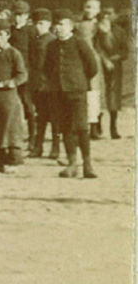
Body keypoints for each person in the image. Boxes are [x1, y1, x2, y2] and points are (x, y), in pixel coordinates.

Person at [43, 11, 100, 180]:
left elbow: (92, 66)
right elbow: (47, 68)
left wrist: (79, 81)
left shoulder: (79, 43)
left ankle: (88, 164)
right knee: (66, 127)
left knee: (82, 127)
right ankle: (72, 163)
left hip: (77, 91)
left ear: (71, 26)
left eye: (63, 24)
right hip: (59, 92)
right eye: (57, 24)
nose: (59, 28)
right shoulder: (51, 46)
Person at [0, 22, 28, 173]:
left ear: (8, 35)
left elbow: (22, 75)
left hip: (8, 98)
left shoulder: (13, 53)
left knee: (10, 129)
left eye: (1, 34)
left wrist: (6, 84)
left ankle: (13, 162)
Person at [82, 0, 128, 139]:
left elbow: (124, 50)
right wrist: (105, 59)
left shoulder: (118, 31)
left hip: (113, 68)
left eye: (110, 13)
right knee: (95, 95)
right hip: (97, 66)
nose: (107, 16)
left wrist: (114, 58)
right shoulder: (92, 27)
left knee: (113, 97)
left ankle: (113, 128)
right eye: (105, 13)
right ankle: (96, 126)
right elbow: (96, 46)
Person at [27, 8, 58, 159]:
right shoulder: (35, 40)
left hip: (50, 85)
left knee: (54, 117)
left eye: (42, 23)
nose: (38, 27)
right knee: (41, 117)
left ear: (49, 24)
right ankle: (38, 147)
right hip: (38, 84)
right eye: (36, 23)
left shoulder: (52, 40)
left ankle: (55, 148)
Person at [9, 0, 40, 141]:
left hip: (27, 72)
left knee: (28, 103)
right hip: (11, 72)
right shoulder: (9, 31)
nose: (18, 18)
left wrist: (32, 71)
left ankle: (33, 135)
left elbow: (35, 53)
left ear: (27, 16)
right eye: (15, 14)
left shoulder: (31, 31)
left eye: (21, 15)